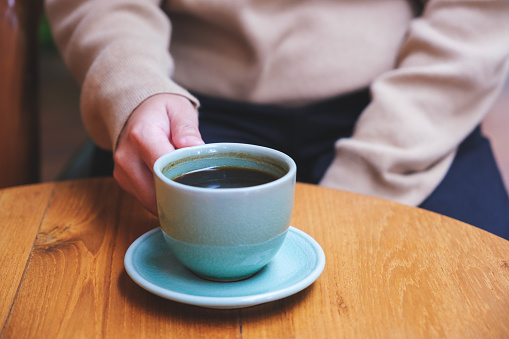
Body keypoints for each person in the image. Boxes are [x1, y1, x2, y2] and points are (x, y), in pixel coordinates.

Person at [45, 0, 509, 239]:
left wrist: (366, 177)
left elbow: (476, 16)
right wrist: (135, 89)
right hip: (182, 108)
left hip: (411, 103)